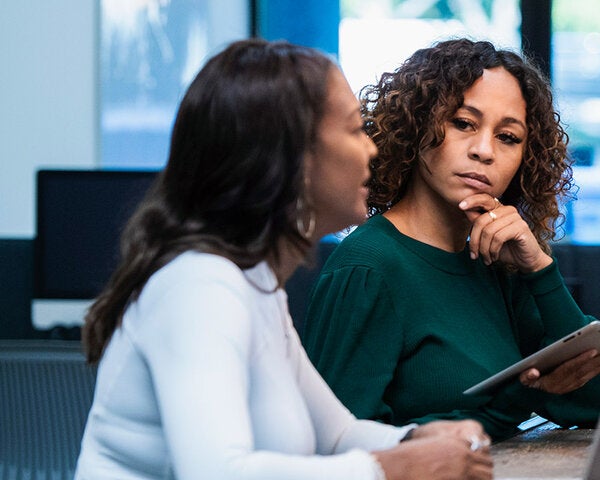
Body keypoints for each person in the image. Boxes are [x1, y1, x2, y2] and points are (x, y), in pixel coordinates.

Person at [75, 39, 491, 479]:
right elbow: (215, 473)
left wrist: (419, 439)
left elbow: (336, 435)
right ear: (294, 158)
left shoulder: (256, 284)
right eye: (354, 130)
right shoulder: (200, 286)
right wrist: (392, 469)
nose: (371, 149)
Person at [301, 39, 600, 441]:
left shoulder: (497, 262)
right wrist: (511, 403)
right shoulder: (367, 267)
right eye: (463, 123)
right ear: (416, 125)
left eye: (508, 137)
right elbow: (342, 442)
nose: (484, 151)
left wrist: (540, 269)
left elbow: (595, 404)